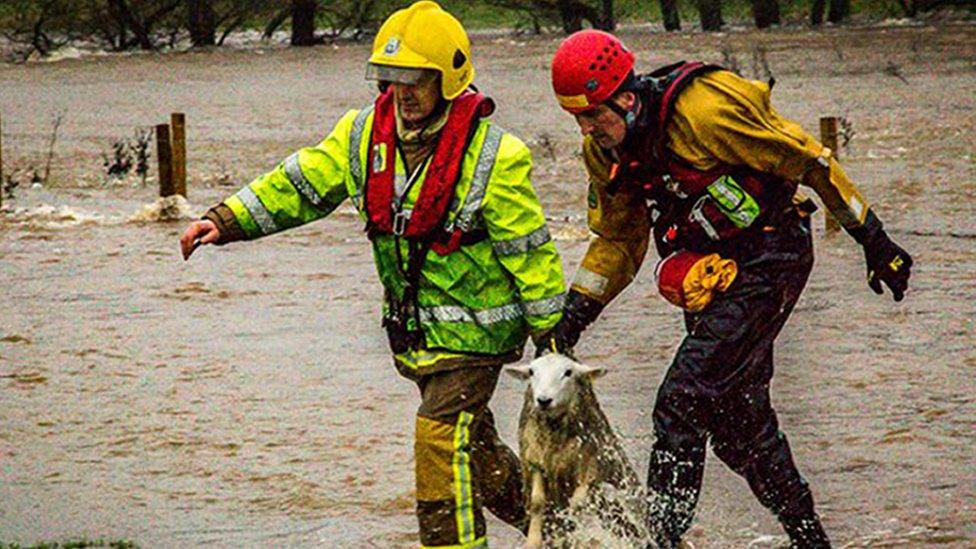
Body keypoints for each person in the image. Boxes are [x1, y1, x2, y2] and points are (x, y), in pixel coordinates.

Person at [179, 3, 565, 547]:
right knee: (475, 452)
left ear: (447, 79)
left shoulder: (497, 156)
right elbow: (300, 183)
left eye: (414, 80)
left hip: (478, 338)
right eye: (391, 79)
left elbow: (531, 253)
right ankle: (562, 526)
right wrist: (225, 220)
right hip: (419, 339)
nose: (402, 93)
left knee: (436, 440)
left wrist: (552, 338)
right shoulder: (362, 135)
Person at [541, 30, 913, 548]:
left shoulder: (706, 113)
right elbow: (619, 241)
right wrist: (572, 320)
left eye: (592, 114)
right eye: (575, 117)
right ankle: (811, 540)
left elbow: (810, 162)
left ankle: (661, 540)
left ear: (626, 96)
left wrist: (874, 240)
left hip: (772, 255)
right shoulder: (604, 153)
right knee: (739, 426)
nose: (585, 129)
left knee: (681, 399)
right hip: (714, 274)